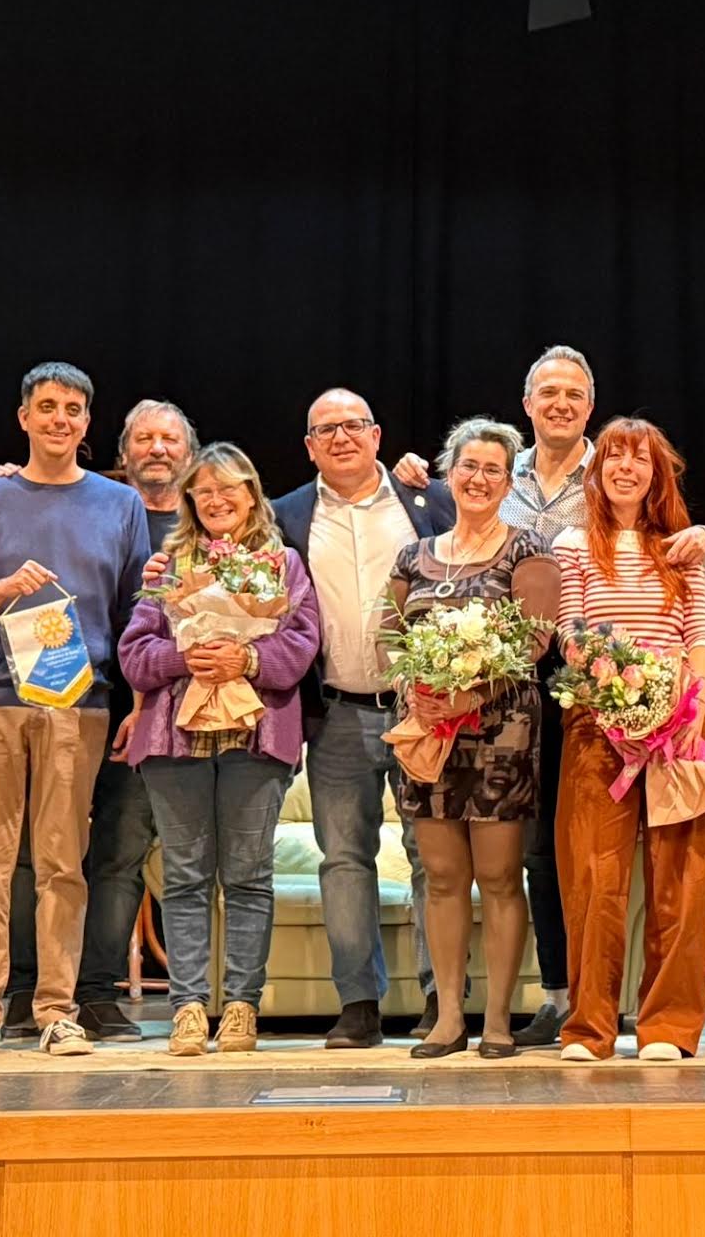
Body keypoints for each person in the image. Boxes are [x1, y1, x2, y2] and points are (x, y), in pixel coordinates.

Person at [393, 344, 705, 1048]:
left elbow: (696, 619)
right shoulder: (518, 490)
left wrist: (678, 695)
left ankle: (642, 1014)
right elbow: (554, 619)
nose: (561, 405)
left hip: (627, 709)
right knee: (565, 863)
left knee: (654, 875)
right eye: (548, 393)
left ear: (590, 407)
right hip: (563, 703)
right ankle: (570, 1008)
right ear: (527, 403)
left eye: (574, 394)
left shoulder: (651, 519)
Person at [0, 362, 149, 1057]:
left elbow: (134, 617)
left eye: (73, 410)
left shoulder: (119, 505)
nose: (60, 419)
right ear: (24, 417)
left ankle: (57, 1008)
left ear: (87, 423)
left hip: (77, 704)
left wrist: (136, 701)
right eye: (48, 407)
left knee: (63, 863)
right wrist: (2, 589)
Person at [120, 443, 321, 1056]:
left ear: (252, 494)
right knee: (184, 878)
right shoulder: (167, 566)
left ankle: (240, 1007)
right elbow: (134, 655)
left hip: (256, 739)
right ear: (189, 500)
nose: (216, 500)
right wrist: (186, 656)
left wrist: (247, 658)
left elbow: (302, 646)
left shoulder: (283, 564)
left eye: (228, 488)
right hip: (173, 743)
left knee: (248, 878)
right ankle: (187, 1009)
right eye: (203, 491)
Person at [4, 398, 196, 1040]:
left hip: (157, 707)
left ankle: (94, 993)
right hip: (65, 692)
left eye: (170, 439)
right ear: (123, 451)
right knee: (35, 850)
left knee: (120, 851)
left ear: (189, 453)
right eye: (144, 439)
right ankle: (26, 990)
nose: (157, 449)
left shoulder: (207, 519)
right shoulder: (89, 503)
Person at [268, 388, 454, 1048]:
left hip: (421, 711)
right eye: (326, 430)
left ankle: (441, 1001)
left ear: (377, 435)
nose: (341, 437)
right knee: (344, 860)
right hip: (336, 713)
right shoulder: (285, 515)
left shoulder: (427, 502)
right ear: (309, 447)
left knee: (432, 857)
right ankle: (358, 1005)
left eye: (354, 425)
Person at [380, 417, 559, 1059]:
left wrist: (469, 695)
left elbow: (533, 641)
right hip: (428, 734)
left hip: (500, 733)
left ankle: (499, 1021)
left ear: (508, 483)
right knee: (442, 876)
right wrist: (416, 689)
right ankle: (450, 1018)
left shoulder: (527, 549)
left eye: (492, 470)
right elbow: (389, 636)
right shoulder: (414, 555)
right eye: (468, 467)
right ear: (448, 474)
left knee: (501, 876)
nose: (478, 479)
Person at [553, 417, 705, 1062]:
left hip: (682, 720)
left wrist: (690, 703)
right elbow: (571, 631)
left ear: (657, 474)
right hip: (599, 721)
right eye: (615, 457)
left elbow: (700, 633)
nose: (627, 468)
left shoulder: (681, 547)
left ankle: (669, 1028)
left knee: (681, 876)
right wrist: (614, 691)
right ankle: (590, 1028)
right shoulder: (574, 544)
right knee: (595, 877)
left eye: (640, 459)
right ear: (596, 472)